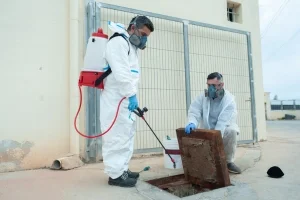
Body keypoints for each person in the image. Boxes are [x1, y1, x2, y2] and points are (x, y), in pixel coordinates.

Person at [100, 16, 154, 187]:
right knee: (116, 136)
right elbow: (122, 73)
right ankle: (115, 175)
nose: (144, 39)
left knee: (126, 134)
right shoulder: (118, 42)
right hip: (116, 98)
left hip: (125, 98)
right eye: (143, 34)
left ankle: (122, 169)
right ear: (133, 27)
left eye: (147, 36)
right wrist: (131, 95)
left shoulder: (130, 45)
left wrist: (131, 96)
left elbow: (131, 74)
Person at [184, 72, 242, 174]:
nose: (210, 88)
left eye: (214, 85)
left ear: (221, 85)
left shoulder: (229, 101)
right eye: (209, 85)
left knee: (232, 131)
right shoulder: (203, 97)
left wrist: (215, 137)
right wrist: (192, 122)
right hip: (207, 127)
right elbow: (194, 110)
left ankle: (228, 162)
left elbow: (222, 123)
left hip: (223, 128)